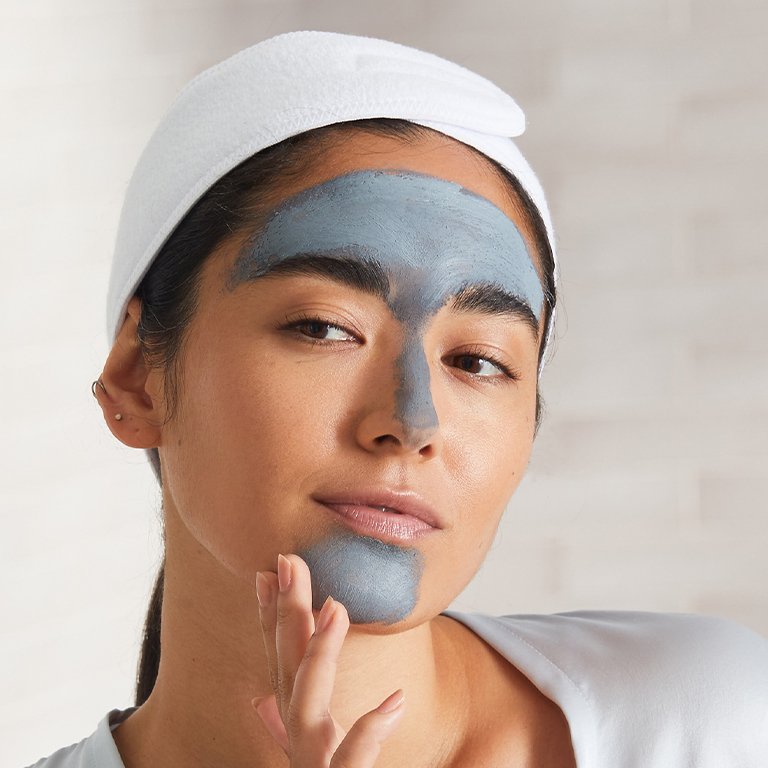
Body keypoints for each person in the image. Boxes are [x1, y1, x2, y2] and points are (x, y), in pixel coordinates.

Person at [29, 30, 767, 768]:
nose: (412, 423)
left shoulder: (712, 719)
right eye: (325, 328)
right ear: (135, 375)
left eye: (477, 361)